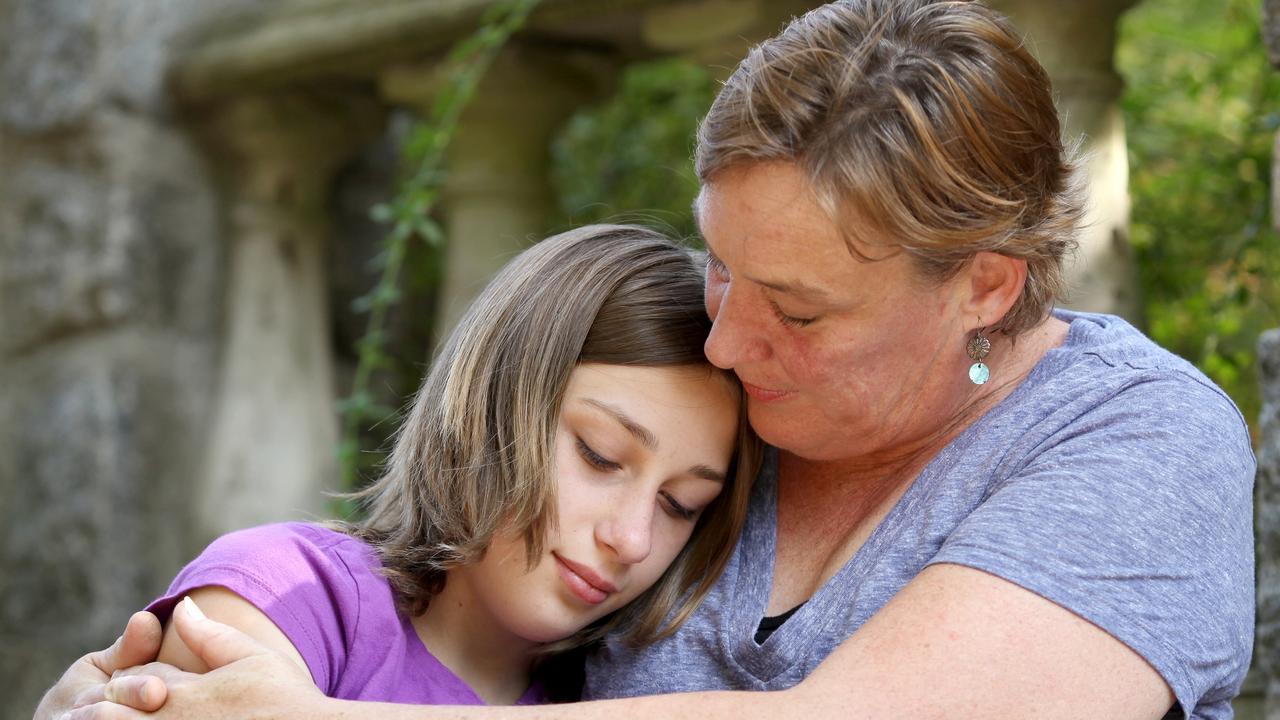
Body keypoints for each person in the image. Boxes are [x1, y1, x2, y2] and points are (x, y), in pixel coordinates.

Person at [40, 0, 1256, 718]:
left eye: (796, 306)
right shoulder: (725, 408)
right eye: (719, 267)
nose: (726, 342)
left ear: (982, 287)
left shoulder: (1132, 440)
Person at [37, 223, 760, 710]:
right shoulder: (292, 594)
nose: (631, 540)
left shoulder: (618, 696)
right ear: (491, 401)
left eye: (681, 505)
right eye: (600, 456)